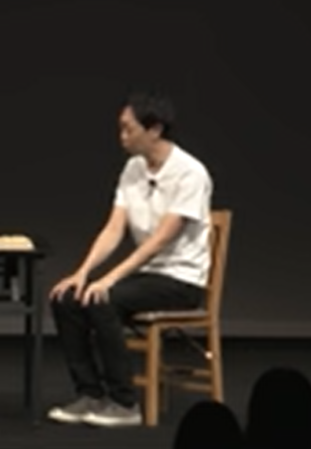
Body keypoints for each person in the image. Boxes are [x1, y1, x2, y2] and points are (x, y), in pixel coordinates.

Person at [46, 90, 213, 427]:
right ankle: (90, 394)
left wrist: (110, 279)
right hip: (148, 276)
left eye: (128, 128)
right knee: (67, 298)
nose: (122, 136)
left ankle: (124, 403)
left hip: (181, 281)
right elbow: (113, 229)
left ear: (154, 130)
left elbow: (160, 240)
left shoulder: (190, 173)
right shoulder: (133, 168)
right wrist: (82, 272)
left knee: (103, 299)